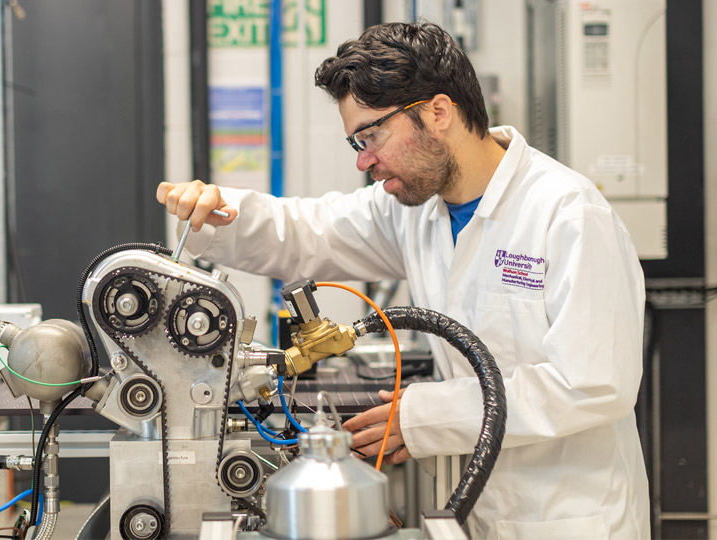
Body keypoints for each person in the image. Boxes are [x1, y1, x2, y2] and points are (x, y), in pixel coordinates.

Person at [156, 21, 649, 540]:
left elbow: (595, 384)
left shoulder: (567, 214)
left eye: (372, 135)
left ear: (438, 112)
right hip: (477, 515)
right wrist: (217, 211)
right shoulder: (417, 210)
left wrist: (427, 415)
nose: (364, 160)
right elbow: (311, 231)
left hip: (571, 519)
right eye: (356, 141)